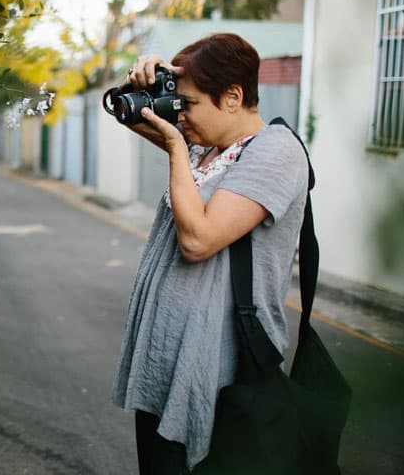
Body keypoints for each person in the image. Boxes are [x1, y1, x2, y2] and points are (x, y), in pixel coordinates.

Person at [111, 33, 309, 474]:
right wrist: (141, 82)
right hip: (167, 361)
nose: (179, 116)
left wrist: (178, 149)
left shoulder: (276, 151)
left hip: (218, 369)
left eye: (189, 104)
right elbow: (127, 114)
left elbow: (198, 240)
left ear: (233, 97)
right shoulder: (209, 147)